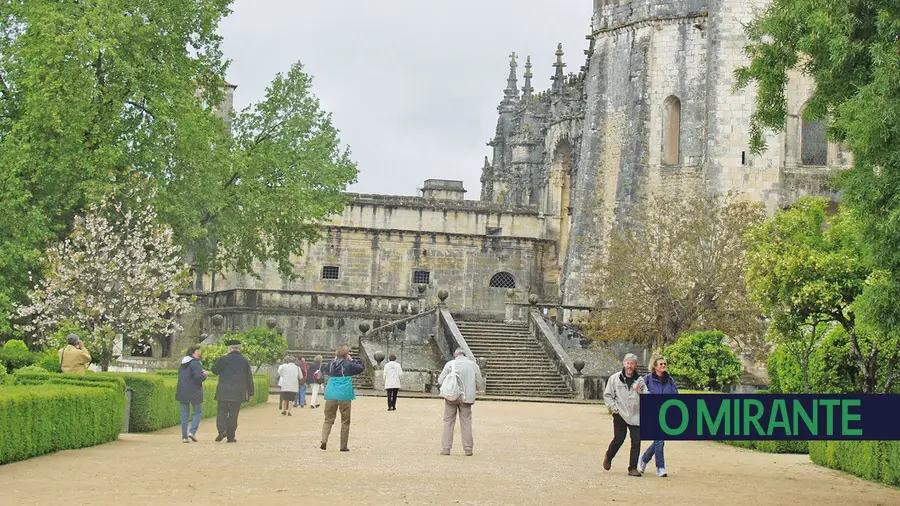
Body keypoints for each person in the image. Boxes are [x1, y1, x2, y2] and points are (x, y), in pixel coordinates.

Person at [603, 353, 647, 476]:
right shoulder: (615, 378)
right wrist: (613, 407)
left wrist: (640, 390)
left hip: (635, 414)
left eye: (632, 363)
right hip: (620, 413)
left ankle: (632, 468)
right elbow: (608, 395)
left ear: (635, 365)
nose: (629, 366)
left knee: (636, 441)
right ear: (624, 363)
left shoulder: (640, 380)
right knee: (619, 439)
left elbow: (647, 397)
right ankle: (609, 455)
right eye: (628, 363)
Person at [437, 348, 485, 456]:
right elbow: (479, 382)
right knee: (466, 422)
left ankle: (446, 448)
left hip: (451, 396)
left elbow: (440, 380)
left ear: (455, 354)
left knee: (448, 422)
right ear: (465, 354)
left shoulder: (450, 364)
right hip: (466, 397)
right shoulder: (473, 365)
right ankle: (468, 448)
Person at [319, 345, 366, 452]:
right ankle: (343, 446)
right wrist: (352, 359)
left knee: (328, 419)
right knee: (345, 421)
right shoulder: (348, 365)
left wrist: (334, 360)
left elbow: (323, 368)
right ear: (346, 354)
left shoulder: (330, 365)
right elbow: (361, 367)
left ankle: (324, 440)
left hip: (331, 394)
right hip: (344, 394)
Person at [638, 355, 678, 477]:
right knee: (660, 440)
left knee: (658, 440)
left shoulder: (670, 380)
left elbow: (675, 395)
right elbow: (640, 393)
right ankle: (660, 467)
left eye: (664, 364)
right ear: (655, 366)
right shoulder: (647, 379)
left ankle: (644, 459)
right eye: (661, 364)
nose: (663, 366)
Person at [211, 339, 255, 443]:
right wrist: (251, 393)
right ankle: (231, 437)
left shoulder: (224, 359)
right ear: (238, 348)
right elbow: (249, 378)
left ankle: (222, 430)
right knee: (233, 414)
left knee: (221, 412)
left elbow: (214, 370)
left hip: (224, 390)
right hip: (238, 391)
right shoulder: (244, 360)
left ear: (230, 348)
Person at [176, 345, 208, 443]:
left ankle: (184, 437)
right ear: (192, 353)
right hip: (194, 392)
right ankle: (192, 432)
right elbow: (198, 378)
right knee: (198, 412)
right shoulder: (196, 364)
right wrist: (204, 375)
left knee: (184, 415)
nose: (199, 354)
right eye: (197, 352)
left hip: (182, 391)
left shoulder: (182, 364)